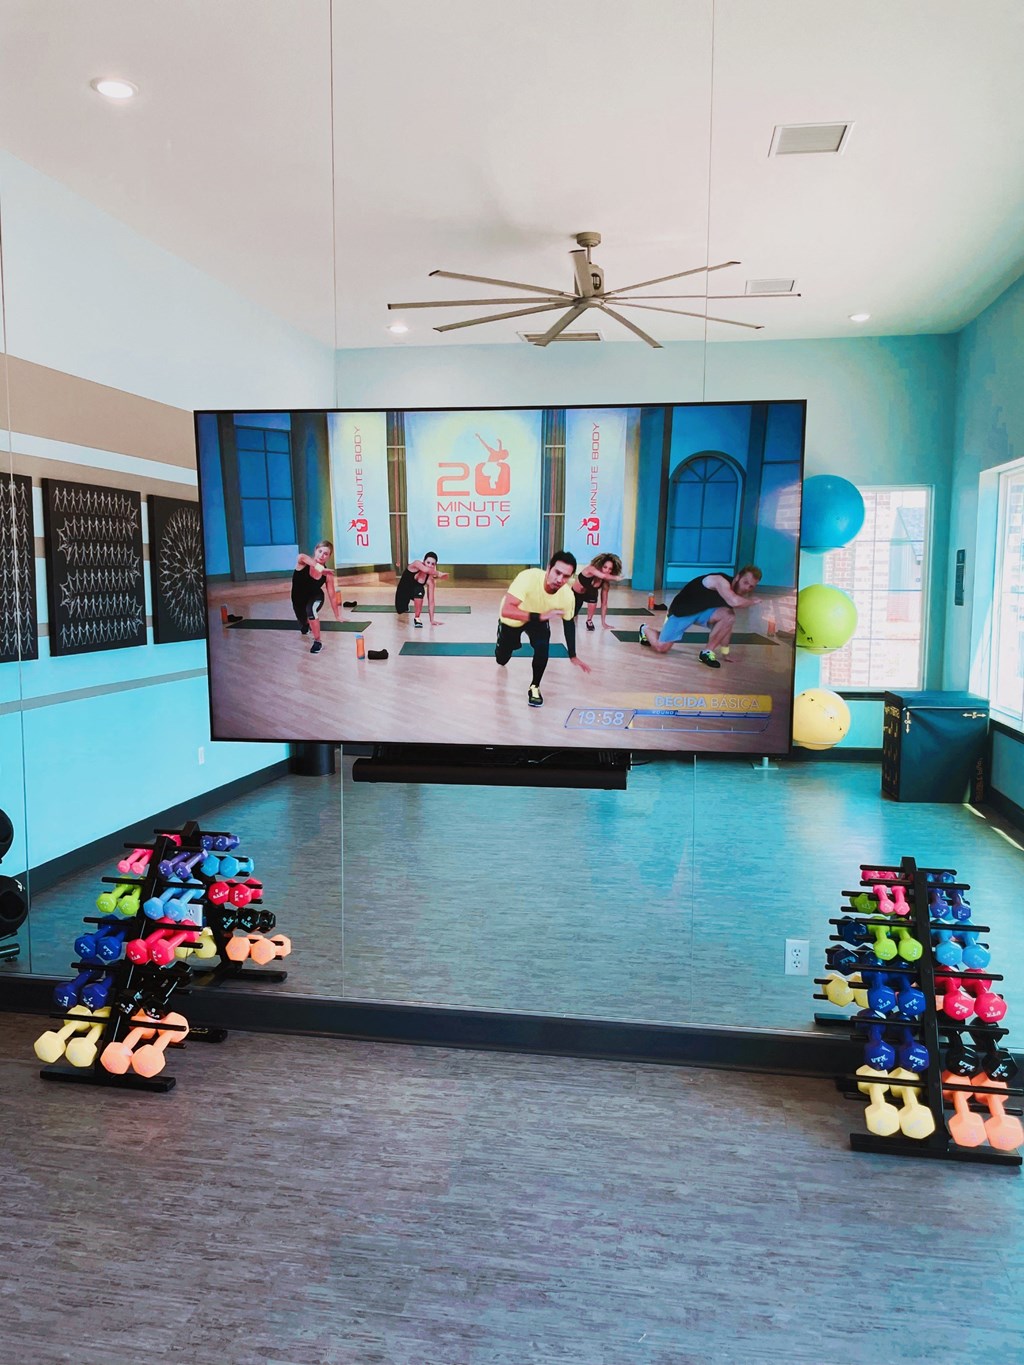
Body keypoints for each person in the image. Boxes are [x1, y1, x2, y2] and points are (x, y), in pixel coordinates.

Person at [495, 550, 592, 707]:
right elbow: (507, 610)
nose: (559, 579)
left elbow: (568, 623)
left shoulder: (567, 596)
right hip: (514, 616)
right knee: (502, 659)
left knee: (542, 647)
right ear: (548, 569)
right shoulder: (528, 577)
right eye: (557, 572)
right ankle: (503, 639)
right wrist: (540, 616)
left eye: (566, 576)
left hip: (539, 618)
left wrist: (573, 655)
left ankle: (535, 686)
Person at [639, 565, 763, 668]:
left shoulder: (733, 593)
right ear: (737, 577)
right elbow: (734, 601)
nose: (747, 588)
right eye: (745, 582)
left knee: (729, 615)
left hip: (703, 612)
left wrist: (726, 652)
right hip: (682, 611)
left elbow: (727, 625)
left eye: (751, 586)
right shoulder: (720, 581)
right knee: (661, 647)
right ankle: (645, 629)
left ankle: (707, 652)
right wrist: (753, 601)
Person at [291, 540, 341, 655]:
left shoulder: (327, 574)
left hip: (315, 596)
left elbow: (332, 595)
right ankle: (305, 625)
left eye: (326, 554)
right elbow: (301, 556)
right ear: (315, 551)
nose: (322, 555)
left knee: (311, 611)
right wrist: (320, 568)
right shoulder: (303, 563)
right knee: (303, 621)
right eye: (320, 551)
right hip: (298, 600)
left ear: (329, 557)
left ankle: (318, 641)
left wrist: (337, 615)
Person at [572, 553, 623, 631]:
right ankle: (574, 615)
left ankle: (589, 620)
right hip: (576, 594)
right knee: (572, 615)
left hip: (589, 594)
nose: (607, 570)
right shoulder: (591, 569)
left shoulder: (605, 583)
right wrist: (616, 578)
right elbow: (603, 576)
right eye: (605, 567)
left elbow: (604, 603)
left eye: (610, 569)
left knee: (593, 595)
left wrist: (603, 622)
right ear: (600, 565)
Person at [394, 552, 448, 627]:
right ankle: (405, 605)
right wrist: (439, 573)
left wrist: (432, 620)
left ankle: (417, 618)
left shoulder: (430, 580)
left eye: (433, 564)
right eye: (428, 562)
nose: (430, 565)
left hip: (414, 593)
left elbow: (431, 601)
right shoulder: (416, 564)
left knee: (419, 590)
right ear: (423, 561)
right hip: (403, 592)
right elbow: (425, 570)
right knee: (401, 610)